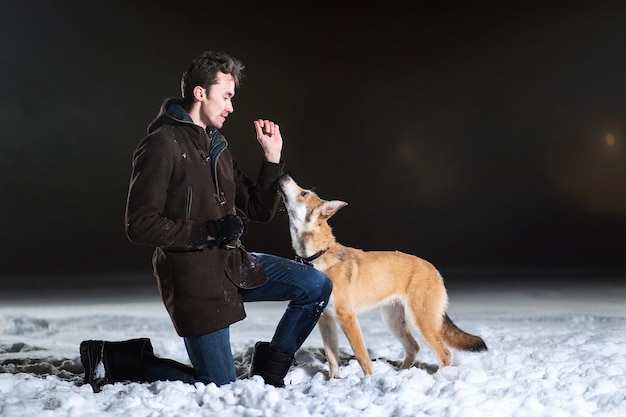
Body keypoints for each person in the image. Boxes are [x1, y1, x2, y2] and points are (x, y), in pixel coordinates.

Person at [80, 50, 333, 391]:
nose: (231, 107)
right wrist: (208, 230)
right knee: (219, 387)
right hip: (194, 281)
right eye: (226, 97)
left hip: (233, 264)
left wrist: (272, 159)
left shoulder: (217, 145)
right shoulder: (161, 145)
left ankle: (269, 373)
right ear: (200, 93)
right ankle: (113, 360)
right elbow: (139, 224)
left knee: (316, 285)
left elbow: (258, 209)